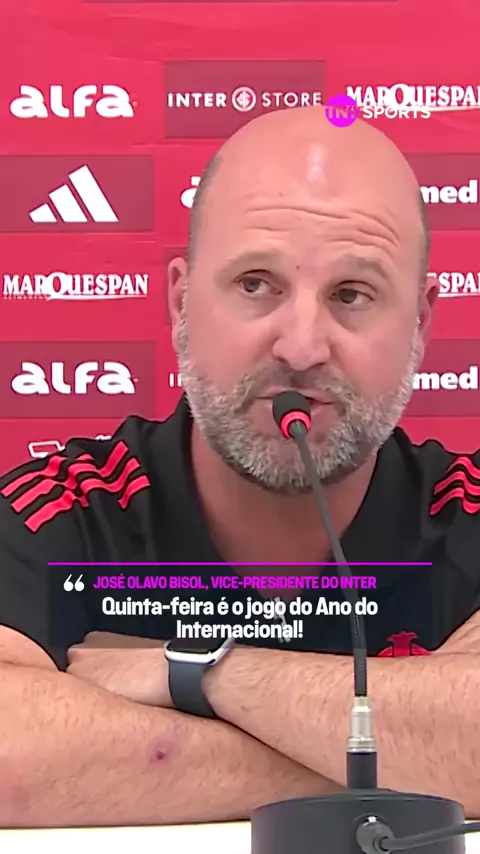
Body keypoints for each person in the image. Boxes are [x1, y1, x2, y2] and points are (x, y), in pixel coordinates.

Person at [0, 105, 479, 828]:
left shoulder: (467, 511)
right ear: (180, 302)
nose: (301, 347)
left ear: (420, 323)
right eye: (256, 283)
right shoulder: (67, 507)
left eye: (352, 294)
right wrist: (413, 751)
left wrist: (198, 671)